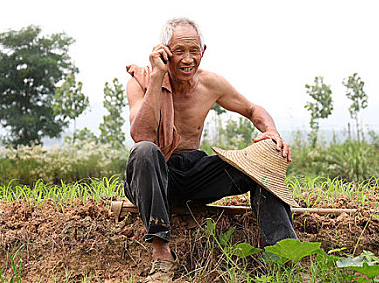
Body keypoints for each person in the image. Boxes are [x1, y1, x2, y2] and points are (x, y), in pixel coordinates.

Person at [124, 18, 297, 282]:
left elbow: (252, 110)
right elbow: (142, 135)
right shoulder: (142, 81)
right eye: (179, 51)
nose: (188, 59)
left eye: (194, 51)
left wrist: (271, 132)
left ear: (203, 52)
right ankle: (162, 256)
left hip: (195, 174)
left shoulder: (210, 83)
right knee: (145, 151)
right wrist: (158, 76)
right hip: (153, 177)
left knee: (264, 156)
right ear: (164, 52)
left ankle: (281, 256)